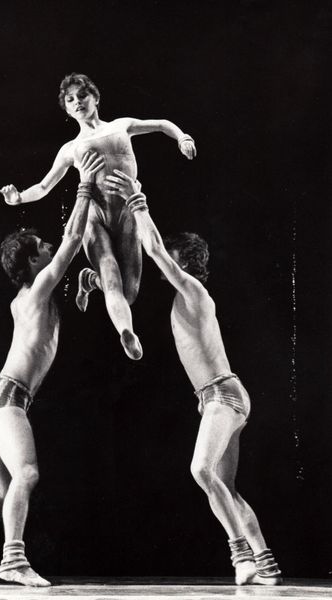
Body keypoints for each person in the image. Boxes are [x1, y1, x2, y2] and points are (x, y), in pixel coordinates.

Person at [104, 169, 282, 586]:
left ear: (183, 260)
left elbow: (154, 251)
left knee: (200, 470)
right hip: (218, 397)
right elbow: (143, 267)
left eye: (172, 255)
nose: (165, 259)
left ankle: (240, 555)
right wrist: (101, 281)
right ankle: (266, 564)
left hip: (224, 395)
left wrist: (135, 199)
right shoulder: (185, 296)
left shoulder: (194, 291)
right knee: (225, 487)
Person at [0, 151, 104, 587]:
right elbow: (72, 239)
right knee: (27, 474)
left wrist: (85, 286)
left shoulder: (28, 298)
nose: (50, 249)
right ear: (33, 262)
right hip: (8, 396)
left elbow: (63, 296)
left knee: (5, 492)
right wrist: (85, 184)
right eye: (43, 249)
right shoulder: (37, 289)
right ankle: (13, 561)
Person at [0, 73, 196, 361]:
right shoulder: (70, 149)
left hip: (127, 213)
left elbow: (162, 124)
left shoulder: (121, 126)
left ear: (96, 98)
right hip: (95, 217)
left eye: (82, 96)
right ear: (67, 110)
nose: (77, 102)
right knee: (111, 276)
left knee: (130, 293)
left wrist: (182, 138)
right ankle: (126, 332)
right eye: (70, 100)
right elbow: (43, 186)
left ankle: (89, 280)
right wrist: (18, 198)